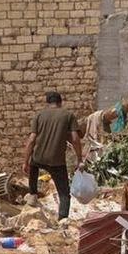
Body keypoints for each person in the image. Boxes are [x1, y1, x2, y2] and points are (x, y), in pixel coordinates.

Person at [24, 92, 83, 220]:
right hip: (57, 161)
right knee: (64, 194)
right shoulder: (68, 115)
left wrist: (25, 161)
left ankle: (33, 194)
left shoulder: (39, 115)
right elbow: (75, 139)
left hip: (39, 157)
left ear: (47, 103)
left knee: (33, 165)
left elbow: (32, 139)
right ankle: (63, 219)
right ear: (60, 102)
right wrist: (80, 159)